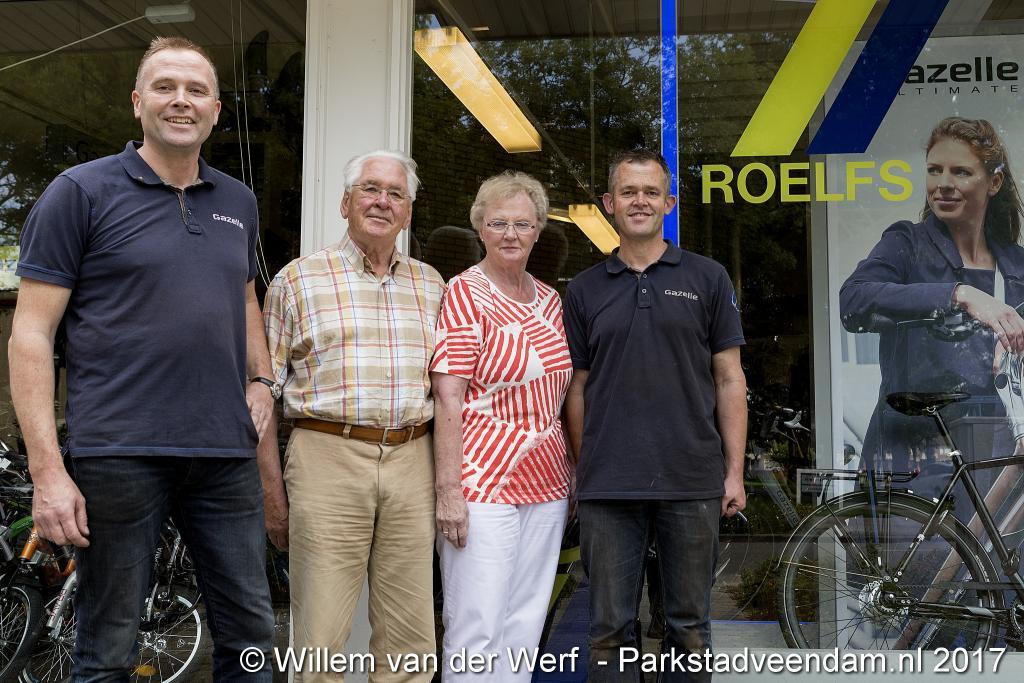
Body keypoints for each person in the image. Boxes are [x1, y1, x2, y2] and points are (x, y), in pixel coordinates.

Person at [9, 36, 275, 680]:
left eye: (196, 90)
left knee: (253, 636)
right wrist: (47, 472)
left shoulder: (238, 201)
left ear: (216, 110)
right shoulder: (80, 192)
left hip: (223, 452)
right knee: (108, 646)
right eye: (165, 87)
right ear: (137, 102)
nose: (181, 100)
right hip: (118, 454)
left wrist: (263, 379)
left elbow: (244, 298)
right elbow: (31, 335)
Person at [563, 149, 747, 682]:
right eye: (628, 192)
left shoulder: (708, 278)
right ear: (609, 203)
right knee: (608, 630)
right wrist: (586, 466)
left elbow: (729, 378)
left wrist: (733, 472)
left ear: (669, 203)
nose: (639, 201)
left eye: (650, 192)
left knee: (688, 628)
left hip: (691, 479)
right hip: (609, 485)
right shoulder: (584, 289)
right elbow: (577, 387)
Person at [260, 150, 444, 682]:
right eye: (370, 189)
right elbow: (261, 397)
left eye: (395, 194)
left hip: (414, 457)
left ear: (408, 212)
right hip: (327, 456)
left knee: (411, 638)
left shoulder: (433, 286)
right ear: (345, 203)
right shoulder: (297, 281)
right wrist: (271, 494)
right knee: (320, 634)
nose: (382, 202)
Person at [431, 171, 573, 682]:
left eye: (522, 224)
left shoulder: (550, 300)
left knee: (524, 624)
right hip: (482, 484)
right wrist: (448, 490)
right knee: (477, 627)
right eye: (498, 223)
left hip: (548, 483)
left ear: (538, 231)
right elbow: (448, 395)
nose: (511, 234)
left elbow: (561, 393)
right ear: (480, 228)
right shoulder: (465, 293)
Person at [840, 117, 1024, 474]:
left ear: (994, 183)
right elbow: (853, 300)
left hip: (995, 450)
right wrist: (959, 295)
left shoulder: (1016, 264)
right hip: (914, 454)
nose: (943, 184)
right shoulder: (907, 244)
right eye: (934, 170)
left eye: (961, 172)